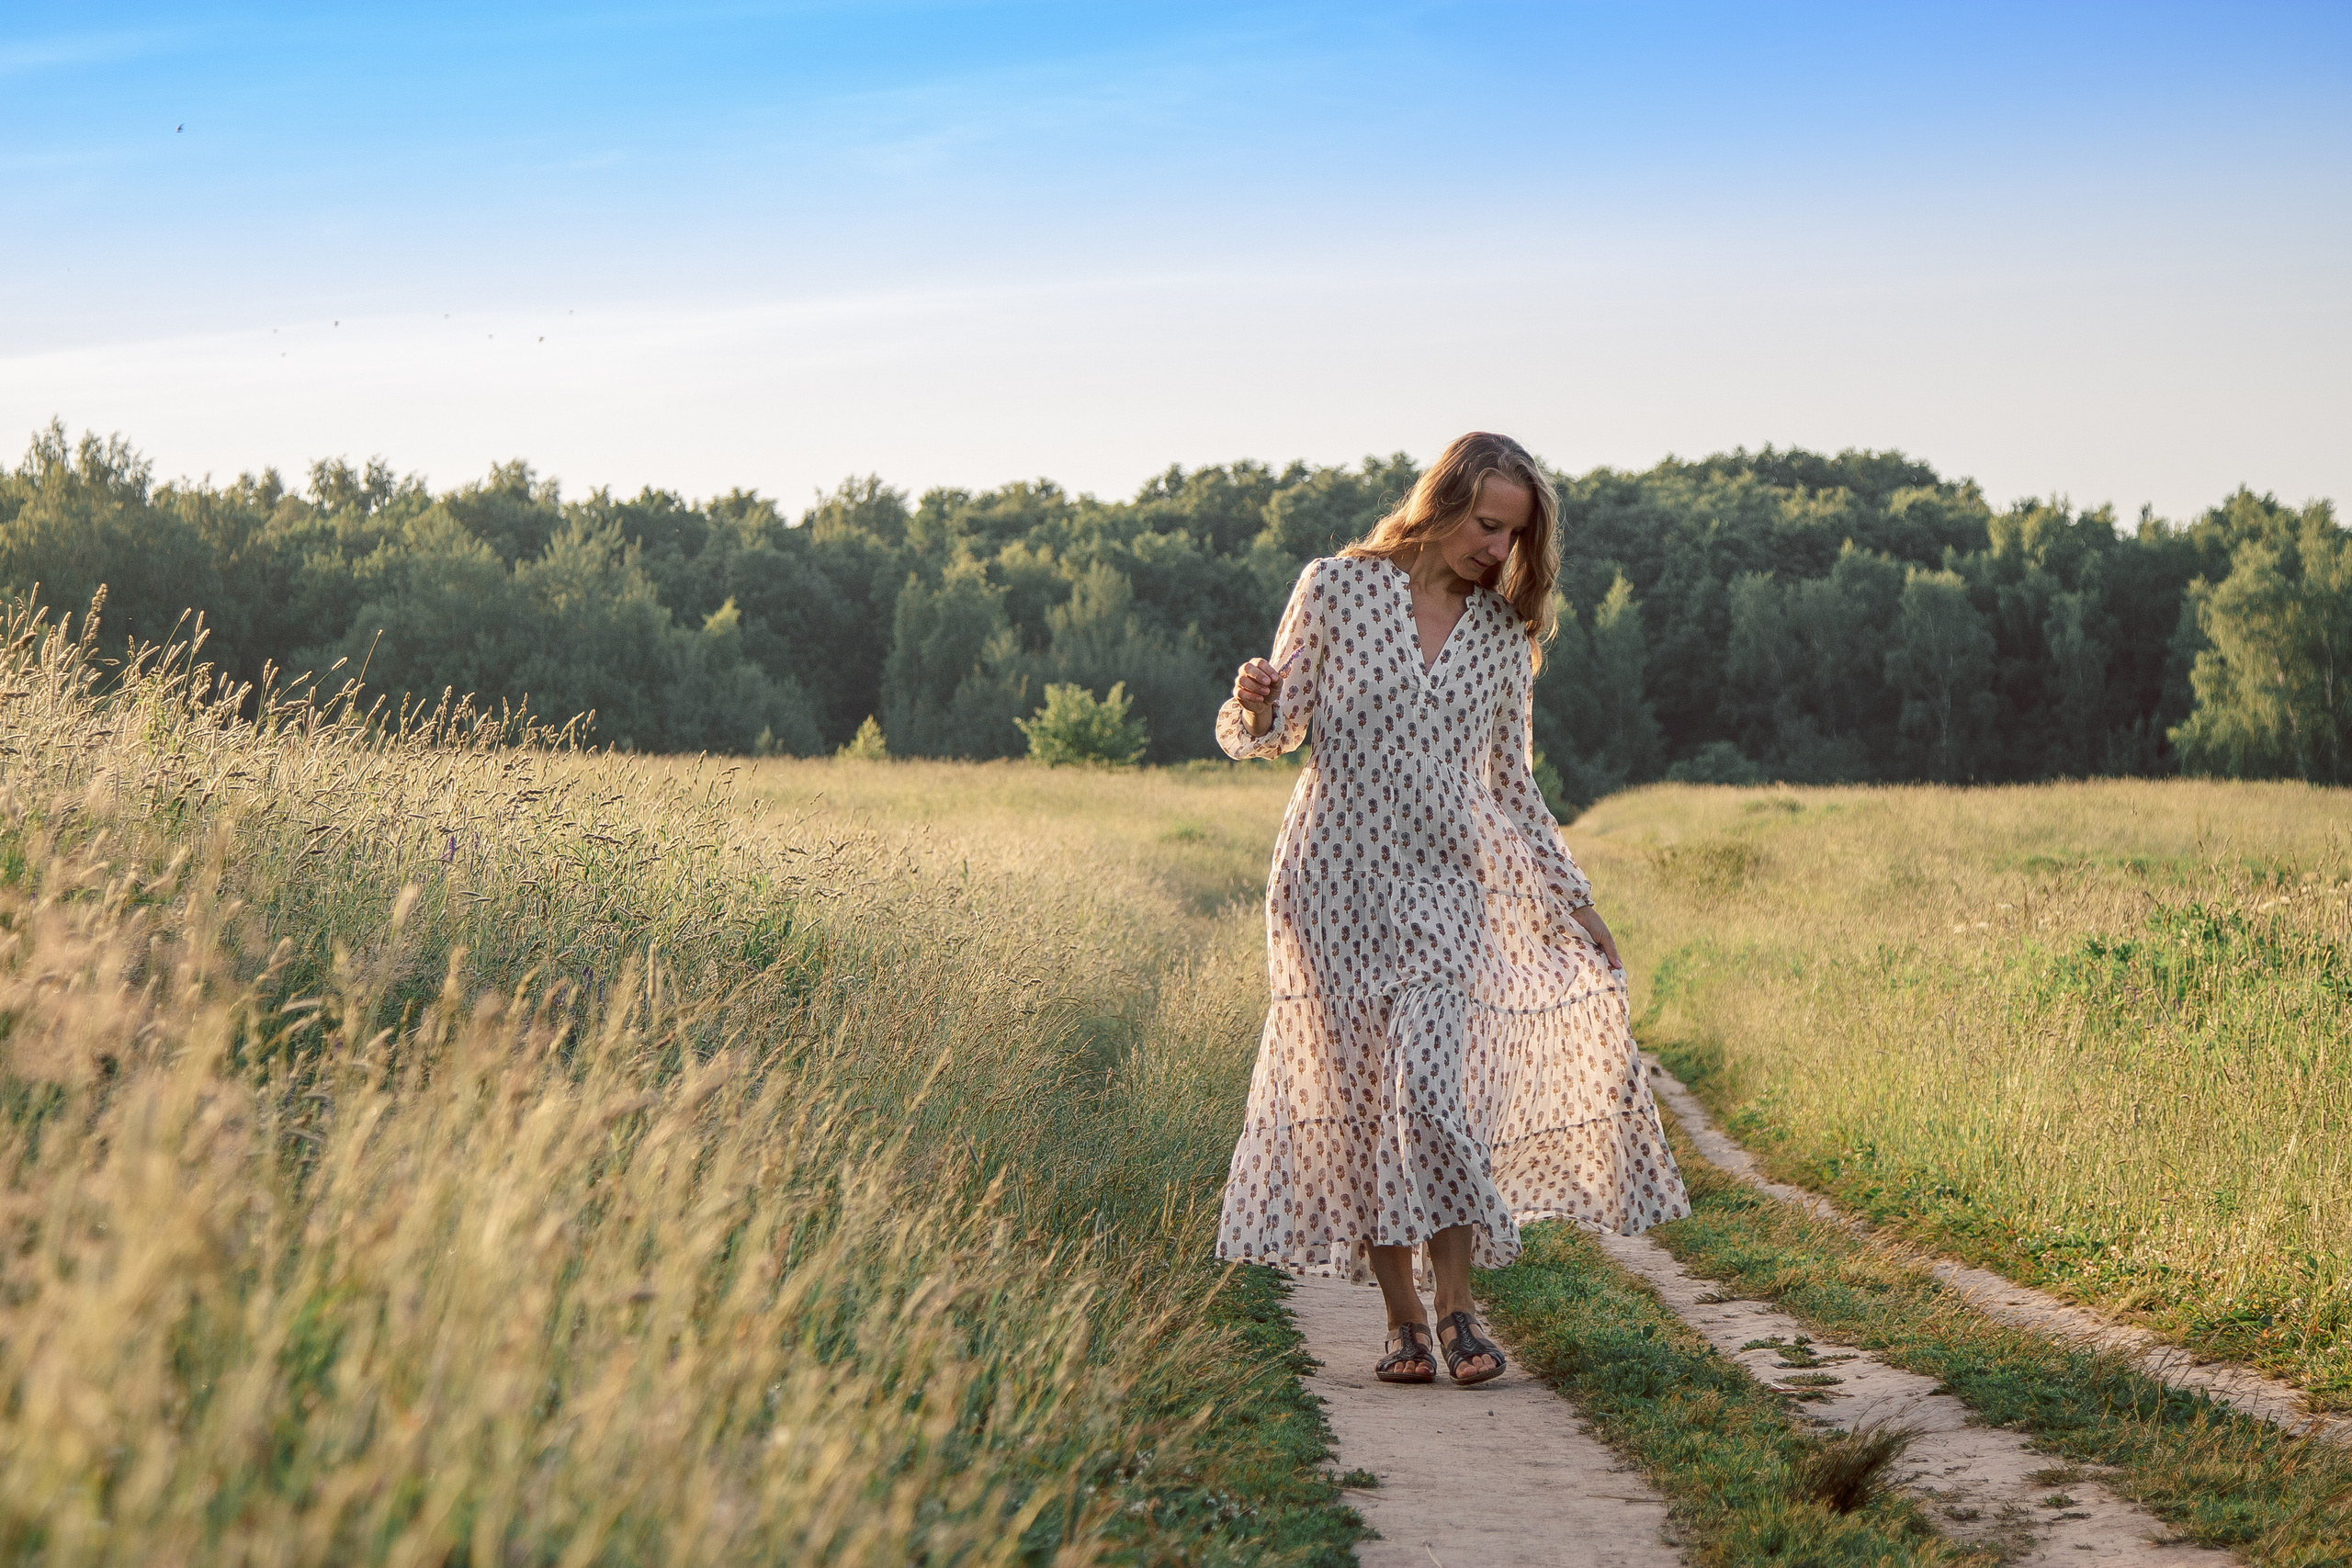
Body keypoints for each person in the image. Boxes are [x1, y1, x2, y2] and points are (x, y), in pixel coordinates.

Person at [1213, 431, 1690, 1386]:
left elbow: (1511, 786)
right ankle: (1403, 1323)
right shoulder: (1335, 588)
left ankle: (1460, 1307)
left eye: (1513, 535)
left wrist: (1574, 902)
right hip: (1330, 887)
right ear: (1441, 504)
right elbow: (1270, 731)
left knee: (1432, 1093)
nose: (1496, 549)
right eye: (1485, 524)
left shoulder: (1502, 636)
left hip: (1447, 891)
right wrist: (1254, 701)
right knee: (1357, 1105)